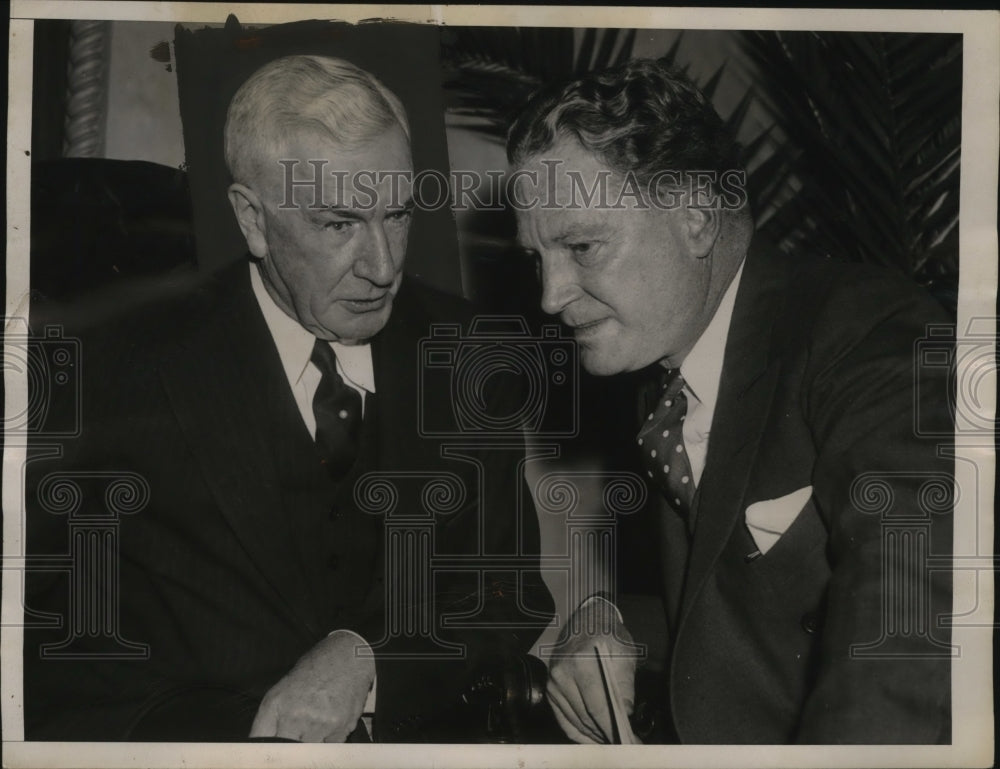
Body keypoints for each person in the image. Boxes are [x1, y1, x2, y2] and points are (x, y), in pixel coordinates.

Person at [24, 55, 553, 742]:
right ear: (252, 219)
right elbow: (34, 630)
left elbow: (506, 594)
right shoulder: (115, 366)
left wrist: (368, 658)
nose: (383, 266)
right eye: (339, 224)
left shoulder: (472, 355)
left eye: (397, 214)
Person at [506, 59, 953, 744]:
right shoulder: (663, 373)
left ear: (695, 218)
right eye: (537, 258)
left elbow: (912, 620)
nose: (550, 294)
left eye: (583, 246)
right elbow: (726, 611)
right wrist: (602, 618)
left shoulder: (869, 333)